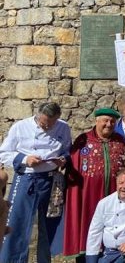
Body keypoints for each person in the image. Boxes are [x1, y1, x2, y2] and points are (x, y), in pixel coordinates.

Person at [0, 102, 71, 263]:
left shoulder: (63, 127)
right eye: (43, 123)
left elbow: (67, 149)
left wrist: (63, 159)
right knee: (18, 223)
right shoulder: (21, 127)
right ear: (37, 116)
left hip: (51, 180)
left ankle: (45, 260)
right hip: (27, 179)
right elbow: (3, 153)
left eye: (51, 123)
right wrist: (25, 159)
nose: (46, 127)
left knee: (49, 226)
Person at [63, 108, 125, 258]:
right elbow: (73, 169)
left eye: (112, 121)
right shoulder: (83, 140)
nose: (109, 124)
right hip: (88, 195)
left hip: (113, 194)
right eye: (105, 120)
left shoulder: (120, 141)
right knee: (89, 226)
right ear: (96, 121)